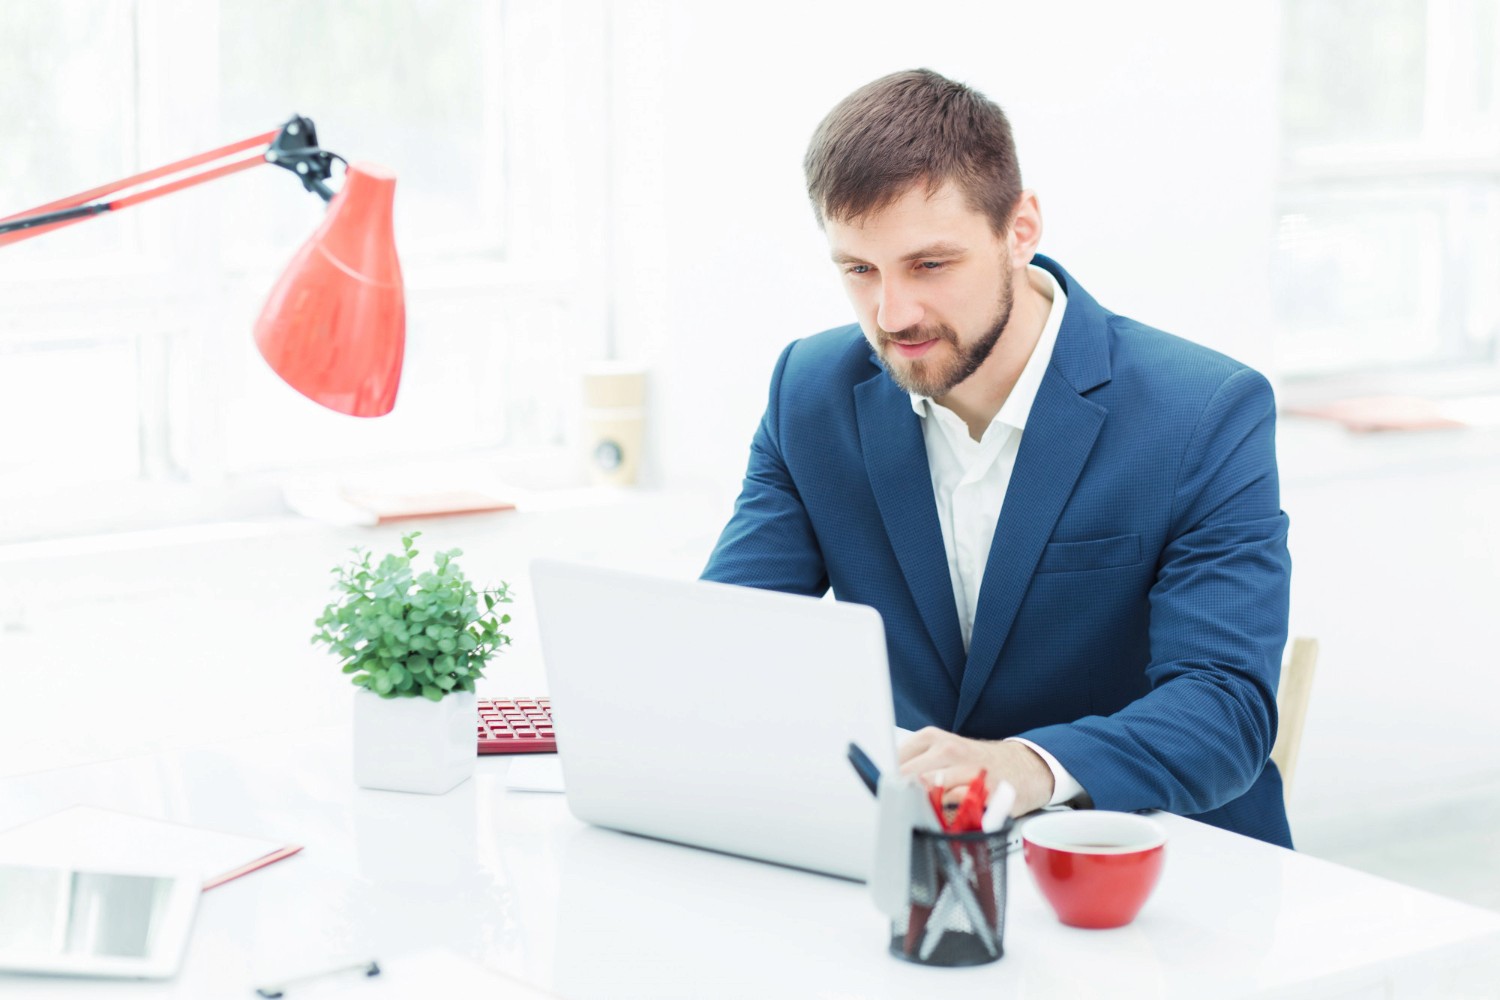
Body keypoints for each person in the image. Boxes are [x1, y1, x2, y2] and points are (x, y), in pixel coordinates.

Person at [701, 68, 1294, 847]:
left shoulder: (1202, 411)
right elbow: (723, 645)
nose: (893, 314)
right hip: (920, 869)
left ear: (1020, 230)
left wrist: (1028, 767)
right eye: (859, 270)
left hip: (1156, 863)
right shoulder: (808, 393)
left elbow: (1226, 708)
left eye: (930, 265)